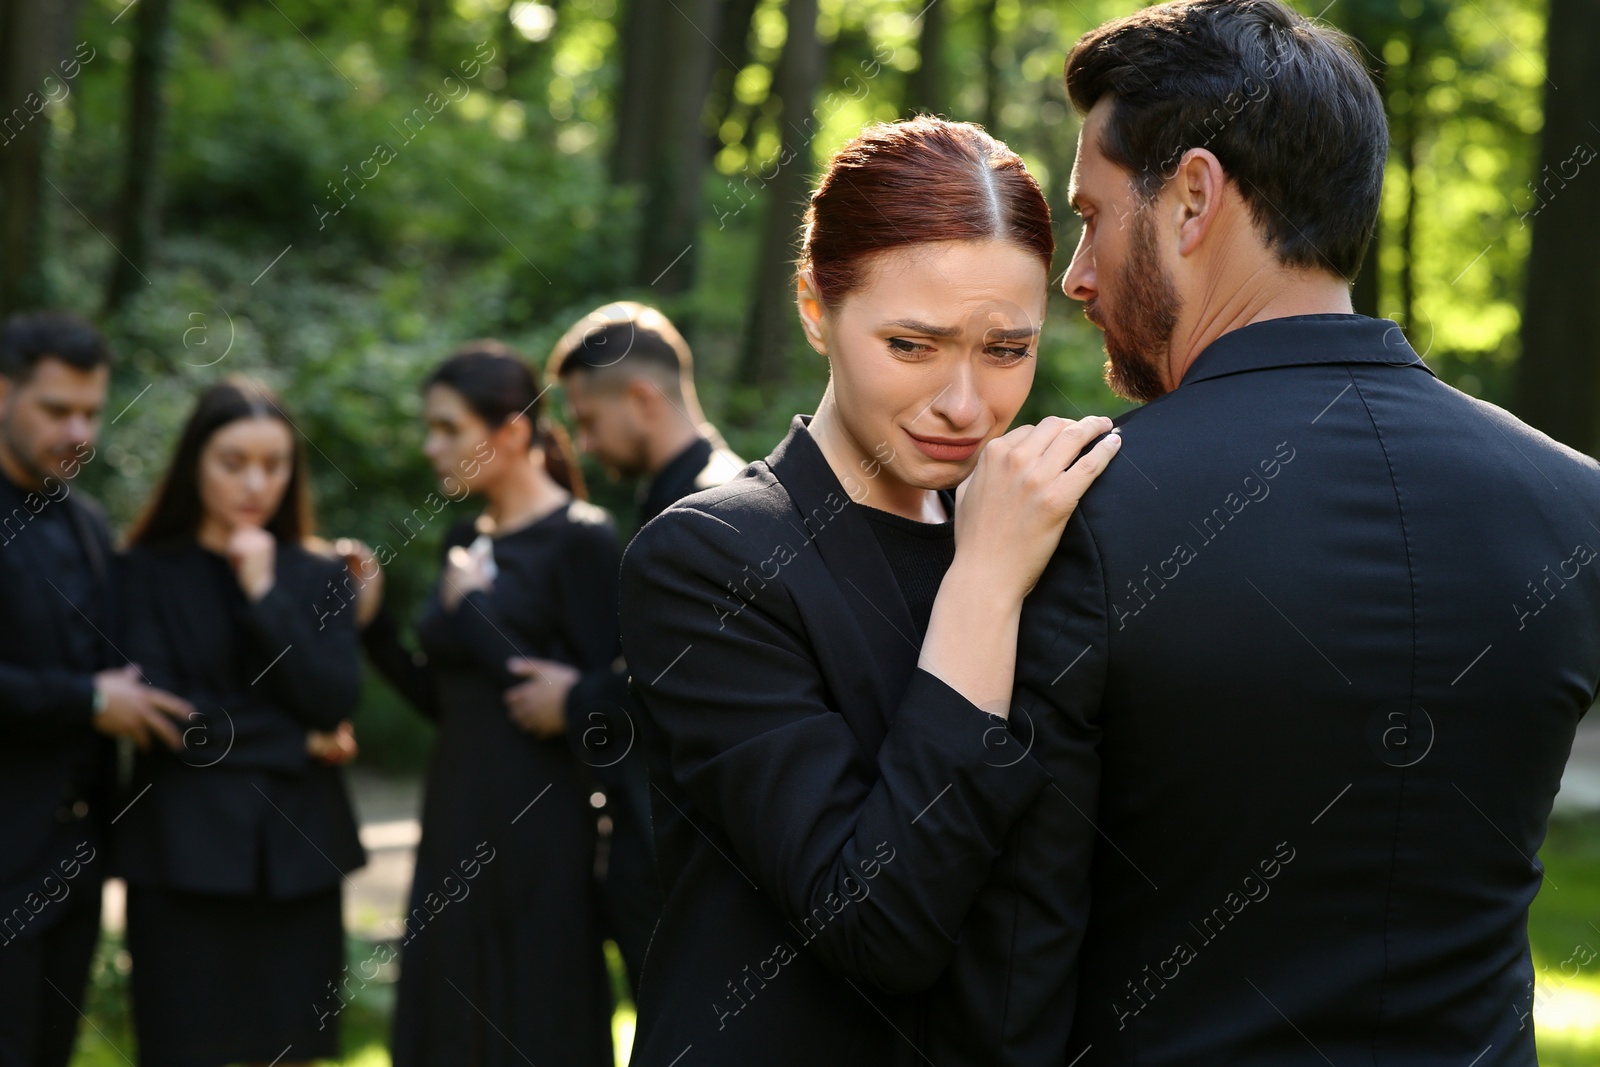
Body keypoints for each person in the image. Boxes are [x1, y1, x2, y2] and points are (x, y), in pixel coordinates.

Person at [1003, 1, 1600, 1063]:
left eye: (1090, 215)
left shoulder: (1074, 509)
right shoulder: (1574, 503)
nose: (1076, 275)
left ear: (1192, 197)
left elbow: (1014, 950)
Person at [617, 116, 1122, 1066]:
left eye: (1005, 350)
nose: (964, 403)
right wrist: (982, 583)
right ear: (815, 305)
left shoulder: (1051, 539)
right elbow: (877, 923)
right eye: (913, 344)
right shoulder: (709, 559)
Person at [359, 342, 617, 1067]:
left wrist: (474, 605)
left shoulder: (583, 540)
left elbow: (599, 701)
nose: (430, 445)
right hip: (453, 809)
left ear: (509, 431)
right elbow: (449, 700)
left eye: (448, 428)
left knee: (535, 1012)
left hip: (541, 821)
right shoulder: (465, 537)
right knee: (447, 1012)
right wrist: (373, 626)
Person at [115, 377, 364, 1067]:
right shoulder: (141, 571)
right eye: (233, 462)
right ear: (195, 461)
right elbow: (172, 719)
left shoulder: (319, 574)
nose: (256, 482)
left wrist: (263, 593)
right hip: (181, 860)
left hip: (297, 861)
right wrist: (296, 739)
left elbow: (333, 700)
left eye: (276, 463)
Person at [497, 301, 744, 996]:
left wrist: (574, 698)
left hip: (698, 867)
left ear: (640, 399)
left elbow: (696, 679)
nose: (583, 443)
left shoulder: (716, 507)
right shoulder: (677, 498)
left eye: (587, 420)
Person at [0, 312, 193, 1067]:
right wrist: (85, 700)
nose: (80, 429)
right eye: (57, 410)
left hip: (75, 856)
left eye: (90, 410)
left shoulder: (84, 518)